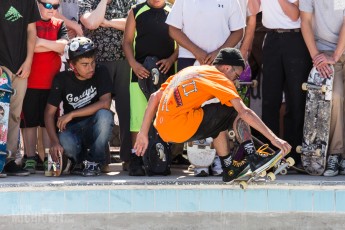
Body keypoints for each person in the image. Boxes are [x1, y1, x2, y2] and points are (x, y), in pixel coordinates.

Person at [134, 48, 291, 183]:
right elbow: (245, 112)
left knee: (219, 117)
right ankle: (253, 157)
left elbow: (155, 97)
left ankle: (229, 168)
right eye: (236, 76)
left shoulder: (189, 71)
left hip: (164, 130)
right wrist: (273, 139)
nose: (235, 82)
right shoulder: (220, 78)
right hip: (182, 125)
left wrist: (143, 133)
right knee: (234, 110)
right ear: (226, 67)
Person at [165, 0, 246, 176]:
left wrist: (219, 53)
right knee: (193, 110)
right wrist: (197, 52)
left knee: (220, 110)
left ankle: (219, 159)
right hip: (190, 60)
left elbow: (238, 30)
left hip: (221, 64)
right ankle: (199, 160)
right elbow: (173, 29)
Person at [249, 0, 312, 167]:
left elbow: (294, 15)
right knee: (270, 99)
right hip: (271, 38)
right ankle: (271, 153)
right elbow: (253, 9)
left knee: (296, 99)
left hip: (295, 38)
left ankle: (294, 154)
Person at [79, 0, 136, 172]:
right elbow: (91, 22)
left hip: (124, 60)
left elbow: (132, 22)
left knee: (126, 112)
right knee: (100, 112)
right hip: (97, 63)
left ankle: (128, 157)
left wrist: (106, 22)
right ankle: (101, 159)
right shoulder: (87, 1)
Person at [122, 0, 178, 176]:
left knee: (164, 117)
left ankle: (164, 157)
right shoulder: (136, 11)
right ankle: (136, 159)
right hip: (140, 75)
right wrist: (134, 65)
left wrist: (170, 60)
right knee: (138, 119)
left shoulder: (173, 11)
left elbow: (181, 44)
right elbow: (127, 42)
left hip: (166, 75)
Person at [44, 37, 114, 176]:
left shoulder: (101, 71)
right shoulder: (61, 79)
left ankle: (95, 162)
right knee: (63, 138)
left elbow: (105, 103)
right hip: (73, 129)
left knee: (105, 115)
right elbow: (49, 113)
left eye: (93, 62)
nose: (91, 68)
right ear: (72, 65)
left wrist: (72, 114)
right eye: (85, 64)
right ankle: (79, 162)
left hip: (94, 126)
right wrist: (54, 142)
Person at [20, 0, 69, 174]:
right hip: (30, 81)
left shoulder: (59, 24)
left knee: (48, 123)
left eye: (56, 6)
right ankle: (30, 157)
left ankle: (49, 158)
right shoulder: (29, 22)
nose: (53, 9)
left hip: (52, 84)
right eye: (48, 5)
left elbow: (64, 47)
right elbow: (27, 48)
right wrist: (52, 46)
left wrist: (38, 42)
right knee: (29, 123)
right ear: (37, 4)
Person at [299, 0, 345, 176]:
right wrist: (316, 57)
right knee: (335, 98)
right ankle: (335, 153)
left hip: (336, 52)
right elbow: (306, 22)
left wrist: (336, 55)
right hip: (325, 53)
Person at [0, 0, 41, 176]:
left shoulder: (28, 2)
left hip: (20, 68)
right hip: (2, 67)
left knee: (14, 115)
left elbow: (32, 30)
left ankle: (7, 160)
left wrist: (29, 61)